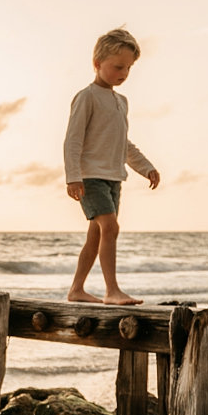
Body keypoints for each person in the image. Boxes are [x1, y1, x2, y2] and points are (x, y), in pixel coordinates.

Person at [63, 26, 161, 306]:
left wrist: (146, 167)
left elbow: (124, 144)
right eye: (118, 66)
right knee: (111, 227)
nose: (124, 73)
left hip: (113, 178)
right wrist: (73, 177)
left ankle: (76, 290)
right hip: (90, 177)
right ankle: (112, 291)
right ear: (97, 63)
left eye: (128, 68)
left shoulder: (122, 102)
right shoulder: (87, 97)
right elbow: (72, 140)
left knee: (96, 235)